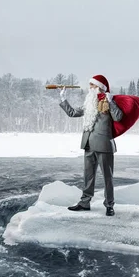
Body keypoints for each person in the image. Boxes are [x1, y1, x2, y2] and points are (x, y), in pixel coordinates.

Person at [59, 74, 123, 216]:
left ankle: (109, 205)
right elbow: (73, 113)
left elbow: (118, 117)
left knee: (107, 177)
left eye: (93, 85)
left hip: (104, 145)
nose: (90, 88)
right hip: (88, 143)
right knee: (88, 176)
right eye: (90, 85)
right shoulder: (89, 103)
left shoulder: (108, 101)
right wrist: (63, 98)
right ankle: (84, 202)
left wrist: (111, 101)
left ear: (100, 87)